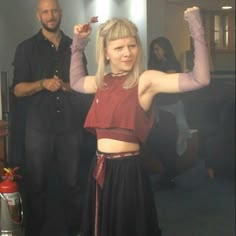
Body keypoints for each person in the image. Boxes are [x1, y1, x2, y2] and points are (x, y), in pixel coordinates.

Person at [70, 6, 210, 236]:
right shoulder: (101, 81)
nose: (127, 53)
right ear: (105, 52)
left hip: (127, 171)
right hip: (100, 167)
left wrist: (195, 25)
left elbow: (200, 79)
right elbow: (75, 82)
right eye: (119, 48)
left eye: (132, 46)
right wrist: (78, 44)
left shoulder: (145, 80)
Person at [10, 0, 95, 235]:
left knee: (73, 184)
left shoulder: (74, 47)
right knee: (35, 186)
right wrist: (42, 84)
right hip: (38, 128)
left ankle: (76, 230)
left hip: (70, 126)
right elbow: (17, 89)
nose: (50, 15)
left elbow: (84, 85)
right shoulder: (25, 48)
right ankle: (35, 231)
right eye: (45, 12)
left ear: (61, 13)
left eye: (54, 11)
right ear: (39, 16)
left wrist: (67, 87)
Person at [146, 36, 192, 189]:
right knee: (156, 140)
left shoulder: (172, 64)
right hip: (158, 108)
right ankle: (167, 172)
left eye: (157, 49)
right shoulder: (155, 65)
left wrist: (153, 83)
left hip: (172, 107)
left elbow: (165, 84)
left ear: (165, 49)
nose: (155, 52)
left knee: (171, 142)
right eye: (154, 49)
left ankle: (169, 175)